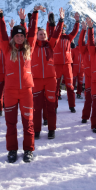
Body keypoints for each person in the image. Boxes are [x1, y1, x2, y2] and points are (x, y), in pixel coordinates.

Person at [0, 5, 39, 163]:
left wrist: (34, 15)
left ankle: (28, 149)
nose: (19, 37)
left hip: (26, 91)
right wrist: (0, 17)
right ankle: (12, 150)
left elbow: (32, 32)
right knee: (11, 123)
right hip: (10, 91)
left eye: (21, 35)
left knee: (28, 122)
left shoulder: (29, 48)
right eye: (17, 35)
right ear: (13, 37)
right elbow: (3, 34)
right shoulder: (7, 48)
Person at [32, 8, 64, 140]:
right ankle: (37, 130)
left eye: (44, 34)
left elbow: (56, 34)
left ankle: (51, 129)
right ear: (36, 35)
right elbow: (31, 31)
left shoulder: (50, 45)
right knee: (36, 108)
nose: (43, 36)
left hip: (51, 79)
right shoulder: (32, 46)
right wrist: (34, 15)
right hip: (36, 80)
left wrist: (61, 21)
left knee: (51, 106)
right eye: (40, 34)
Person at [79, 22, 96, 123]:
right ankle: (85, 116)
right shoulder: (84, 50)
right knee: (89, 98)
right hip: (89, 77)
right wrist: (84, 30)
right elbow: (81, 41)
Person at [54, 12, 80, 112]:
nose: (62, 29)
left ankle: (72, 106)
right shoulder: (54, 38)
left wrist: (77, 21)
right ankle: (55, 106)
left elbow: (75, 31)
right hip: (57, 65)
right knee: (55, 87)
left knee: (70, 86)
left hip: (67, 65)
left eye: (64, 28)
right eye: (61, 28)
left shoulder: (68, 38)